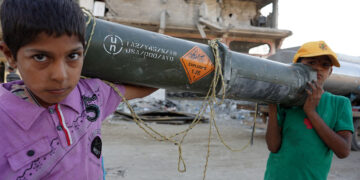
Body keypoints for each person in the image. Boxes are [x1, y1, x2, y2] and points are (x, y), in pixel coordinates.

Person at [0, 0, 157, 179]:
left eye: (73, 56)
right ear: (10, 55)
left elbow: (147, 84)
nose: (60, 76)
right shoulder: (3, 120)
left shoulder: (91, 96)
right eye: (41, 57)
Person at [264, 41, 354, 180]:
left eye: (325, 65)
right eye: (311, 62)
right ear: (296, 67)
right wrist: (273, 106)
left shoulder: (339, 104)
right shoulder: (286, 101)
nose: (318, 68)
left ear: (330, 72)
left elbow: (343, 151)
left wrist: (311, 112)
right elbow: (273, 146)